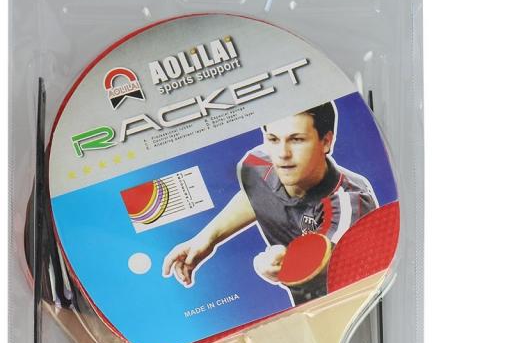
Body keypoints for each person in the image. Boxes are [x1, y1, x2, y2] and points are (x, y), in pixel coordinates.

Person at [161, 102, 378, 304]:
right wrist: (207, 238)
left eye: (297, 140)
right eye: (273, 139)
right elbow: (257, 195)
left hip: (347, 302)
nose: (282, 154)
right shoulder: (257, 164)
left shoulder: (350, 202)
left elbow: (324, 261)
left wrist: (276, 264)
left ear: (326, 142)